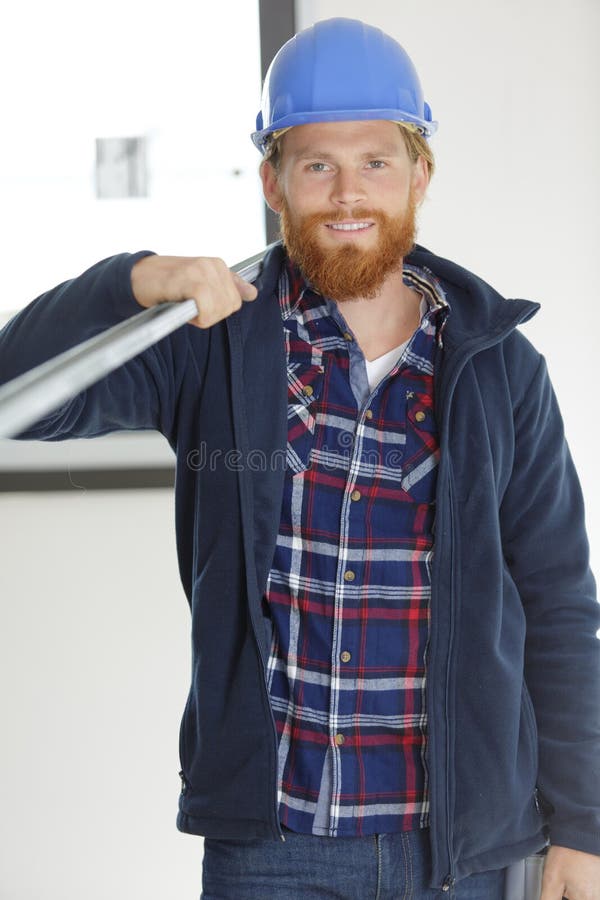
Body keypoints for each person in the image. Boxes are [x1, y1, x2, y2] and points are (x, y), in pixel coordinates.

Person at [0, 16, 598, 900]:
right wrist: (134, 279)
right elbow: (21, 390)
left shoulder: (498, 366)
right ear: (275, 185)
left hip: (463, 851)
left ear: (419, 177)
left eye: (375, 162)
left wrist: (583, 827)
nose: (348, 192)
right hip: (273, 848)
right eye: (317, 164)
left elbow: (555, 601)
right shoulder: (213, 344)